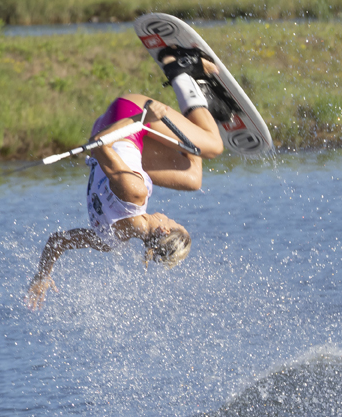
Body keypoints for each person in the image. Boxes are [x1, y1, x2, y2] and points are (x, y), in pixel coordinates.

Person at [26, 49, 224, 309]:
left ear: (164, 230)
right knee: (192, 178)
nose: (170, 217)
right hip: (126, 145)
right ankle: (200, 109)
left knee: (213, 147)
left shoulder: (135, 192)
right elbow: (57, 241)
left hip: (123, 116)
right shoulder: (108, 241)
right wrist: (43, 275)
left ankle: (182, 70)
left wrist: (144, 118)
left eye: (175, 222)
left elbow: (97, 144)